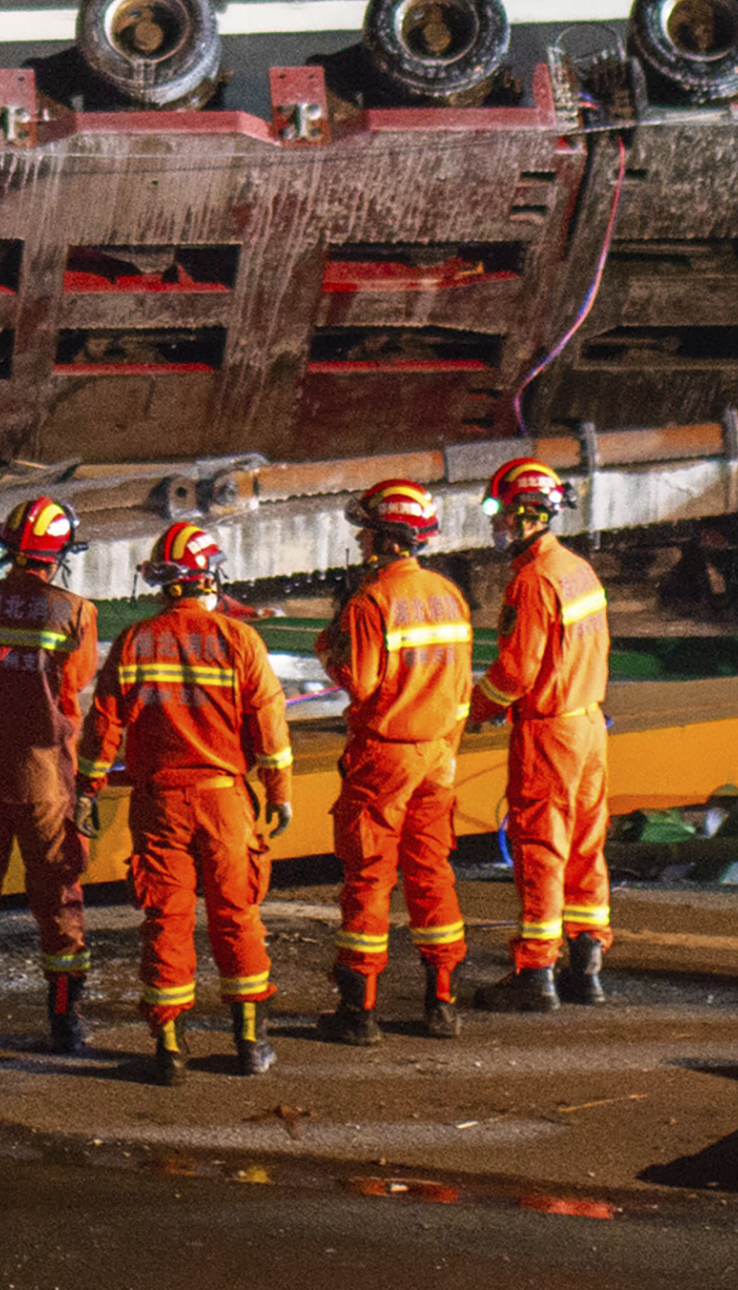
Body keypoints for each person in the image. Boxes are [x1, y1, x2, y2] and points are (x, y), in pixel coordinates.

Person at [86, 515, 291, 1082]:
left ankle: (170, 1050)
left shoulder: (133, 642)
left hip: (159, 805)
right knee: (237, 916)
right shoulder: (240, 640)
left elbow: (103, 724)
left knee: (166, 919)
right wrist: (280, 793)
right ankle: (250, 1043)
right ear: (209, 579)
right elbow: (270, 727)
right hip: (225, 801)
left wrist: (88, 787)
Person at [0, 495, 102, 1059]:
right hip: (44, 781)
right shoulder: (74, 611)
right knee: (58, 900)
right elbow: (73, 699)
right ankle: (63, 1023)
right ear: (58, 556)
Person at [318, 477, 475, 1044]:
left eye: (366, 533)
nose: (360, 544)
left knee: (369, 875)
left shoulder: (371, 602)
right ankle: (442, 1002)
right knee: (432, 871)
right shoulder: (450, 595)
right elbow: (460, 685)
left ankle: (359, 1011)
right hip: (438, 754)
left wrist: (328, 645)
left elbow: (358, 683)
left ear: (387, 538)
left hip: (385, 755)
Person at [473, 455, 617, 1009]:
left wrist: (472, 711)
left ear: (527, 514)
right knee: (585, 845)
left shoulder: (532, 581)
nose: (496, 523)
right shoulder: (578, 569)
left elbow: (515, 672)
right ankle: (587, 964)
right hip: (587, 724)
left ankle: (535, 974)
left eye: (500, 512)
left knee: (541, 849)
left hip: (549, 732)